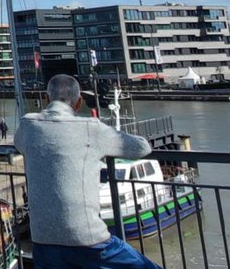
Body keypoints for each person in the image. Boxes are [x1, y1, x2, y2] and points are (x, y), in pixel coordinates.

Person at [14, 74, 161, 269]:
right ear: (79, 103)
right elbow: (142, 147)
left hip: (42, 238)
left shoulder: (28, 125)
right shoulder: (91, 128)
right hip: (87, 239)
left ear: (46, 99)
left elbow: (19, 144)